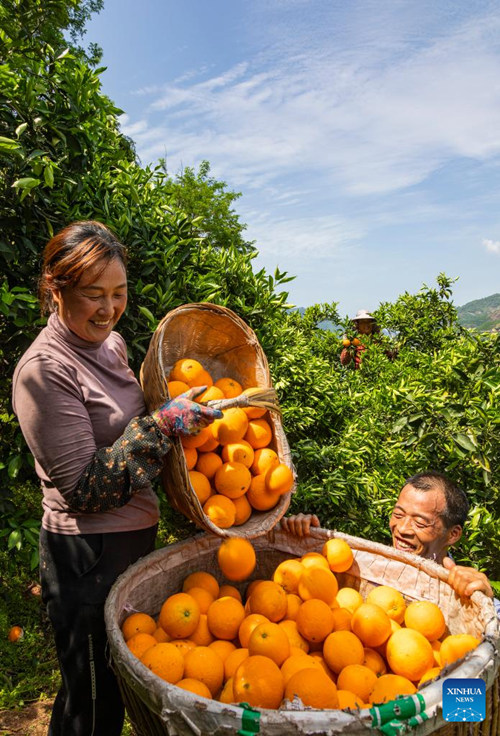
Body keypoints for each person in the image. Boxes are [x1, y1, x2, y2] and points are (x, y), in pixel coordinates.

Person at [12, 221, 222, 736]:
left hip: (133, 539)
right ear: (55, 289)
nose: (108, 310)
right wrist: (164, 425)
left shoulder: (112, 345)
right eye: (93, 295)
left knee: (117, 684)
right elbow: (84, 487)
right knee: (90, 700)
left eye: (119, 294)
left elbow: (135, 426)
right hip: (87, 553)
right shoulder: (44, 371)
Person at [281, 471, 495, 601]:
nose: (402, 529)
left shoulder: (459, 592)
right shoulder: (369, 569)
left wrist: (483, 596)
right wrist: (301, 535)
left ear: (453, 534)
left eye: (420, 522)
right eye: (398, 515)